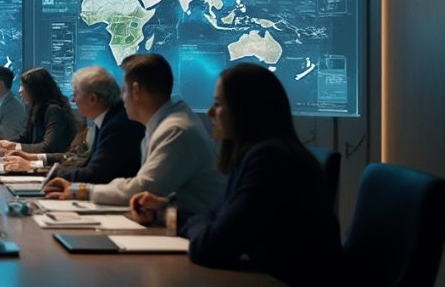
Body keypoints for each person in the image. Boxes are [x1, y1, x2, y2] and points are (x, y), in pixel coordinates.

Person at [126, 63, 343, 285]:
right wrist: (165, 210)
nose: (210, 112)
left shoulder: (269, 161)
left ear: (246, 109)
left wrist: (204, 224)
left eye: (218, 104)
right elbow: (214, 216)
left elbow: (210, 247)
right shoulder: (260, 154)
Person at [43, 54, 223, 215]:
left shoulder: (175, 130)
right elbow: (138, 183)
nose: (122, 98)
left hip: (193, 234)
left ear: (135, 91)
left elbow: (143, 188)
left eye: (124, 91)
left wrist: (81, 191)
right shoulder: (163, 123)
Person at [3, 66, 145, 184]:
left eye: (76, 94)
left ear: (92, 99)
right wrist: (34, 159)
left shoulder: (117, 125)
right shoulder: (106, 120)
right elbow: (81, 160)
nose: (73, 99)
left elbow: (94, 174)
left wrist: (32, 167)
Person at [0, 67, 77, 154]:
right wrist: (3, 143)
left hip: (51, 164)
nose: (19, 90)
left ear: (34, 89)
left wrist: (12, 146)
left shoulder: (54, 110)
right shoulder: (35, 109)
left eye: (22, 86)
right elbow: (26, 138)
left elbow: (47, 147)